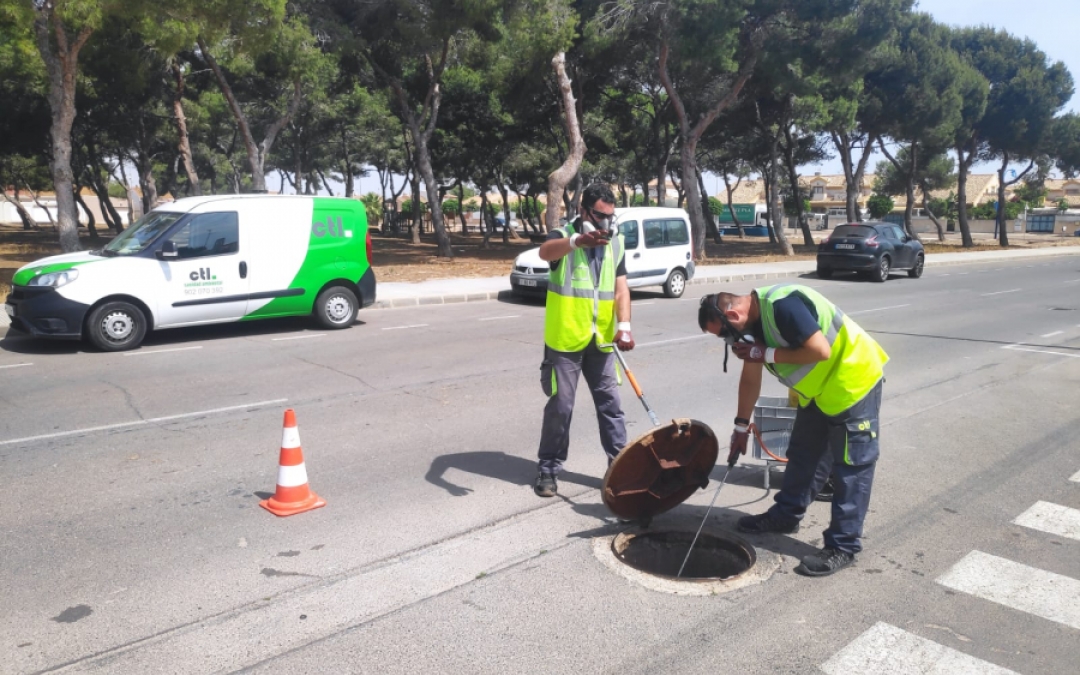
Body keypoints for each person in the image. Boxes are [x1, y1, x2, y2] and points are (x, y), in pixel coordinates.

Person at [698, 285, 888, 576]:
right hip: (818, 394)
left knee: (852, 467)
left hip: (853, 384)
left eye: (724, 334)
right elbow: (750, 378)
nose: (729, 341)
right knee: (803, 453)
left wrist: (766, 353)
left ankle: (843, 546)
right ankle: (786, 516)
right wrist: (740, 427)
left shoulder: (783, 307)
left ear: (733, 316)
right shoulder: (753, 327)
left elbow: (820, 350)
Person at [534, 184, 634, 497]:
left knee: (611, 406)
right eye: (600, 215)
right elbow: (545, 253)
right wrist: (578, 241)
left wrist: (625, 325)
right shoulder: (562, 235)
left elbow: (621, 289)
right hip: (565, 341)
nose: (605, 222)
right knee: (561, 407)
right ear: (583, 210)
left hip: (601, 340)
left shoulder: (615, 242)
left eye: (610, 216)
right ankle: (548, 469)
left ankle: (620, 469)